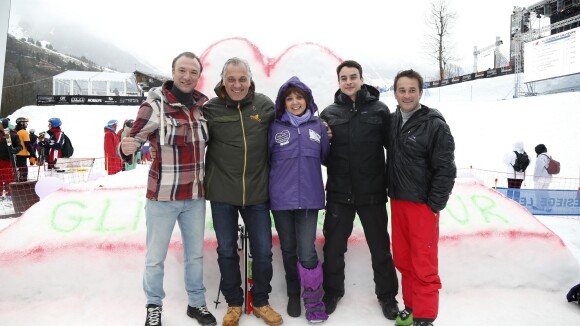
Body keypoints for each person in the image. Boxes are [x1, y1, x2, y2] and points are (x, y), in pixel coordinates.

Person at [118, 51, 217, 326]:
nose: (187, 77)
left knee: (195, 255)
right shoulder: (155, 106)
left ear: (199, 76)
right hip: (162, 198)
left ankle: (196, 304)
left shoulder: (202, 108)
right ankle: (153, 305)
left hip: (195, 197)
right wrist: (126, 148)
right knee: (155, 258)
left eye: (193, 72)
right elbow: (133, 139)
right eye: (182, 71)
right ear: (173, 73)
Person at [202, 57, 282, 326]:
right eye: (231, 79)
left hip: (257, 193)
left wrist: (323, 128)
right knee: (226, 251)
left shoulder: (264, 105)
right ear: (223, 81)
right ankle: (234, 303)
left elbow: (291, 123)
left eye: (242, 79)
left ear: (250, 80)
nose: (237, 84)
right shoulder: (210, 109)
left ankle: (260, 301)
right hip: (223, 193)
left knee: (263, 251)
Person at [319, 60, 399, 319]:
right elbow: (321, 155)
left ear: (362, 79)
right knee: (333, 248)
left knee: (380, 248)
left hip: (372, 193)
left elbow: (394, 150)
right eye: (344, 78)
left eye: (354, 76)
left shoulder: (379, 110)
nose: (349, 81)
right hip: (339, 193)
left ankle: (387, 296)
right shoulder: (329, 113)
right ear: (339, 82)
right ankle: (332, 292)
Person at [387, 69, 456, 326]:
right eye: (402, 90)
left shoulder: (434, 124)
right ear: (395, 93)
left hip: (421, 205)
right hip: (397, 200)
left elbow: (446, 168)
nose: (407, 95)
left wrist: (434, 204)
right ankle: (411, 306)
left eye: (412, 90)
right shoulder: (393, 121)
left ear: (420, 92)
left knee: (423, 260)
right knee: (404, 259)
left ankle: (425, 316)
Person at [269, 76, 330, 323]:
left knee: (307, 252)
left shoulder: (318, 128)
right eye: (289, 98)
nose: (295, 102)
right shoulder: (273, 128)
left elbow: (327, 156)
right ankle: (294, 293)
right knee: (288, 249)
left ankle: (314, 300)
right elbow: (264, 158)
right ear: (283, 103)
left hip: (310, 200)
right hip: (281, 199)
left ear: (308, 100)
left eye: (299, 97)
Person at [0, 118, 22, 196]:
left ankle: (10, 194)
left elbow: (20, 147)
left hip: (8, 160)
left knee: (8, 178)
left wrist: (14, 150)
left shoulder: (12, 134)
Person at [14, 117, 37, 181]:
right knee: (23, 169)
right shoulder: (24, 132)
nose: (27, 124)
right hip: (22, 153)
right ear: (22, 123)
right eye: (26, 122)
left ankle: (19, 179)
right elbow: (28, 144)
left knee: (18, 169)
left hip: (16, 153)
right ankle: (23, 182)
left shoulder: (15, 131)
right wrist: (33, 154)